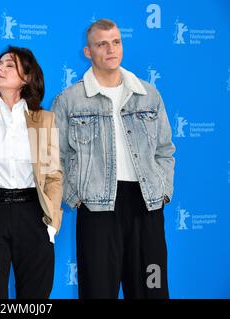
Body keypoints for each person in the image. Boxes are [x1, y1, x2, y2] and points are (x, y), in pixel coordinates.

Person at [51, 18, 175, 299]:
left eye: (116, 42)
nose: (111, 49)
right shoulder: (69, 100)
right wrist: (76, 197)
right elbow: (54, 158)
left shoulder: (148, 94)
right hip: (97, 212)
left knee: (152, 290)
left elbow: (165, 149)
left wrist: (163, 192)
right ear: (88, 52)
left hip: (147, 208)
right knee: (98, 292)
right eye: (101, 44)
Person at [0, 46, 63, 299]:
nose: (0, 68)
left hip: (35, 215)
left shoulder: (45, 119)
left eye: (9, 65)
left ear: (27, 77)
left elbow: (53, 175)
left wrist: (52, 222)